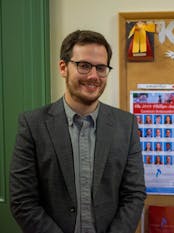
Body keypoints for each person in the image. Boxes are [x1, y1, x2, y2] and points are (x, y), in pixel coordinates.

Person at [9, 30, 146, 233]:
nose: (93, 76)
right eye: (84, 66)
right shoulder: (32, 124)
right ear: (63, 68)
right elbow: (22, 200)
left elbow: (134, 195)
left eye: (101, 68)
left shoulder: (126, 125)